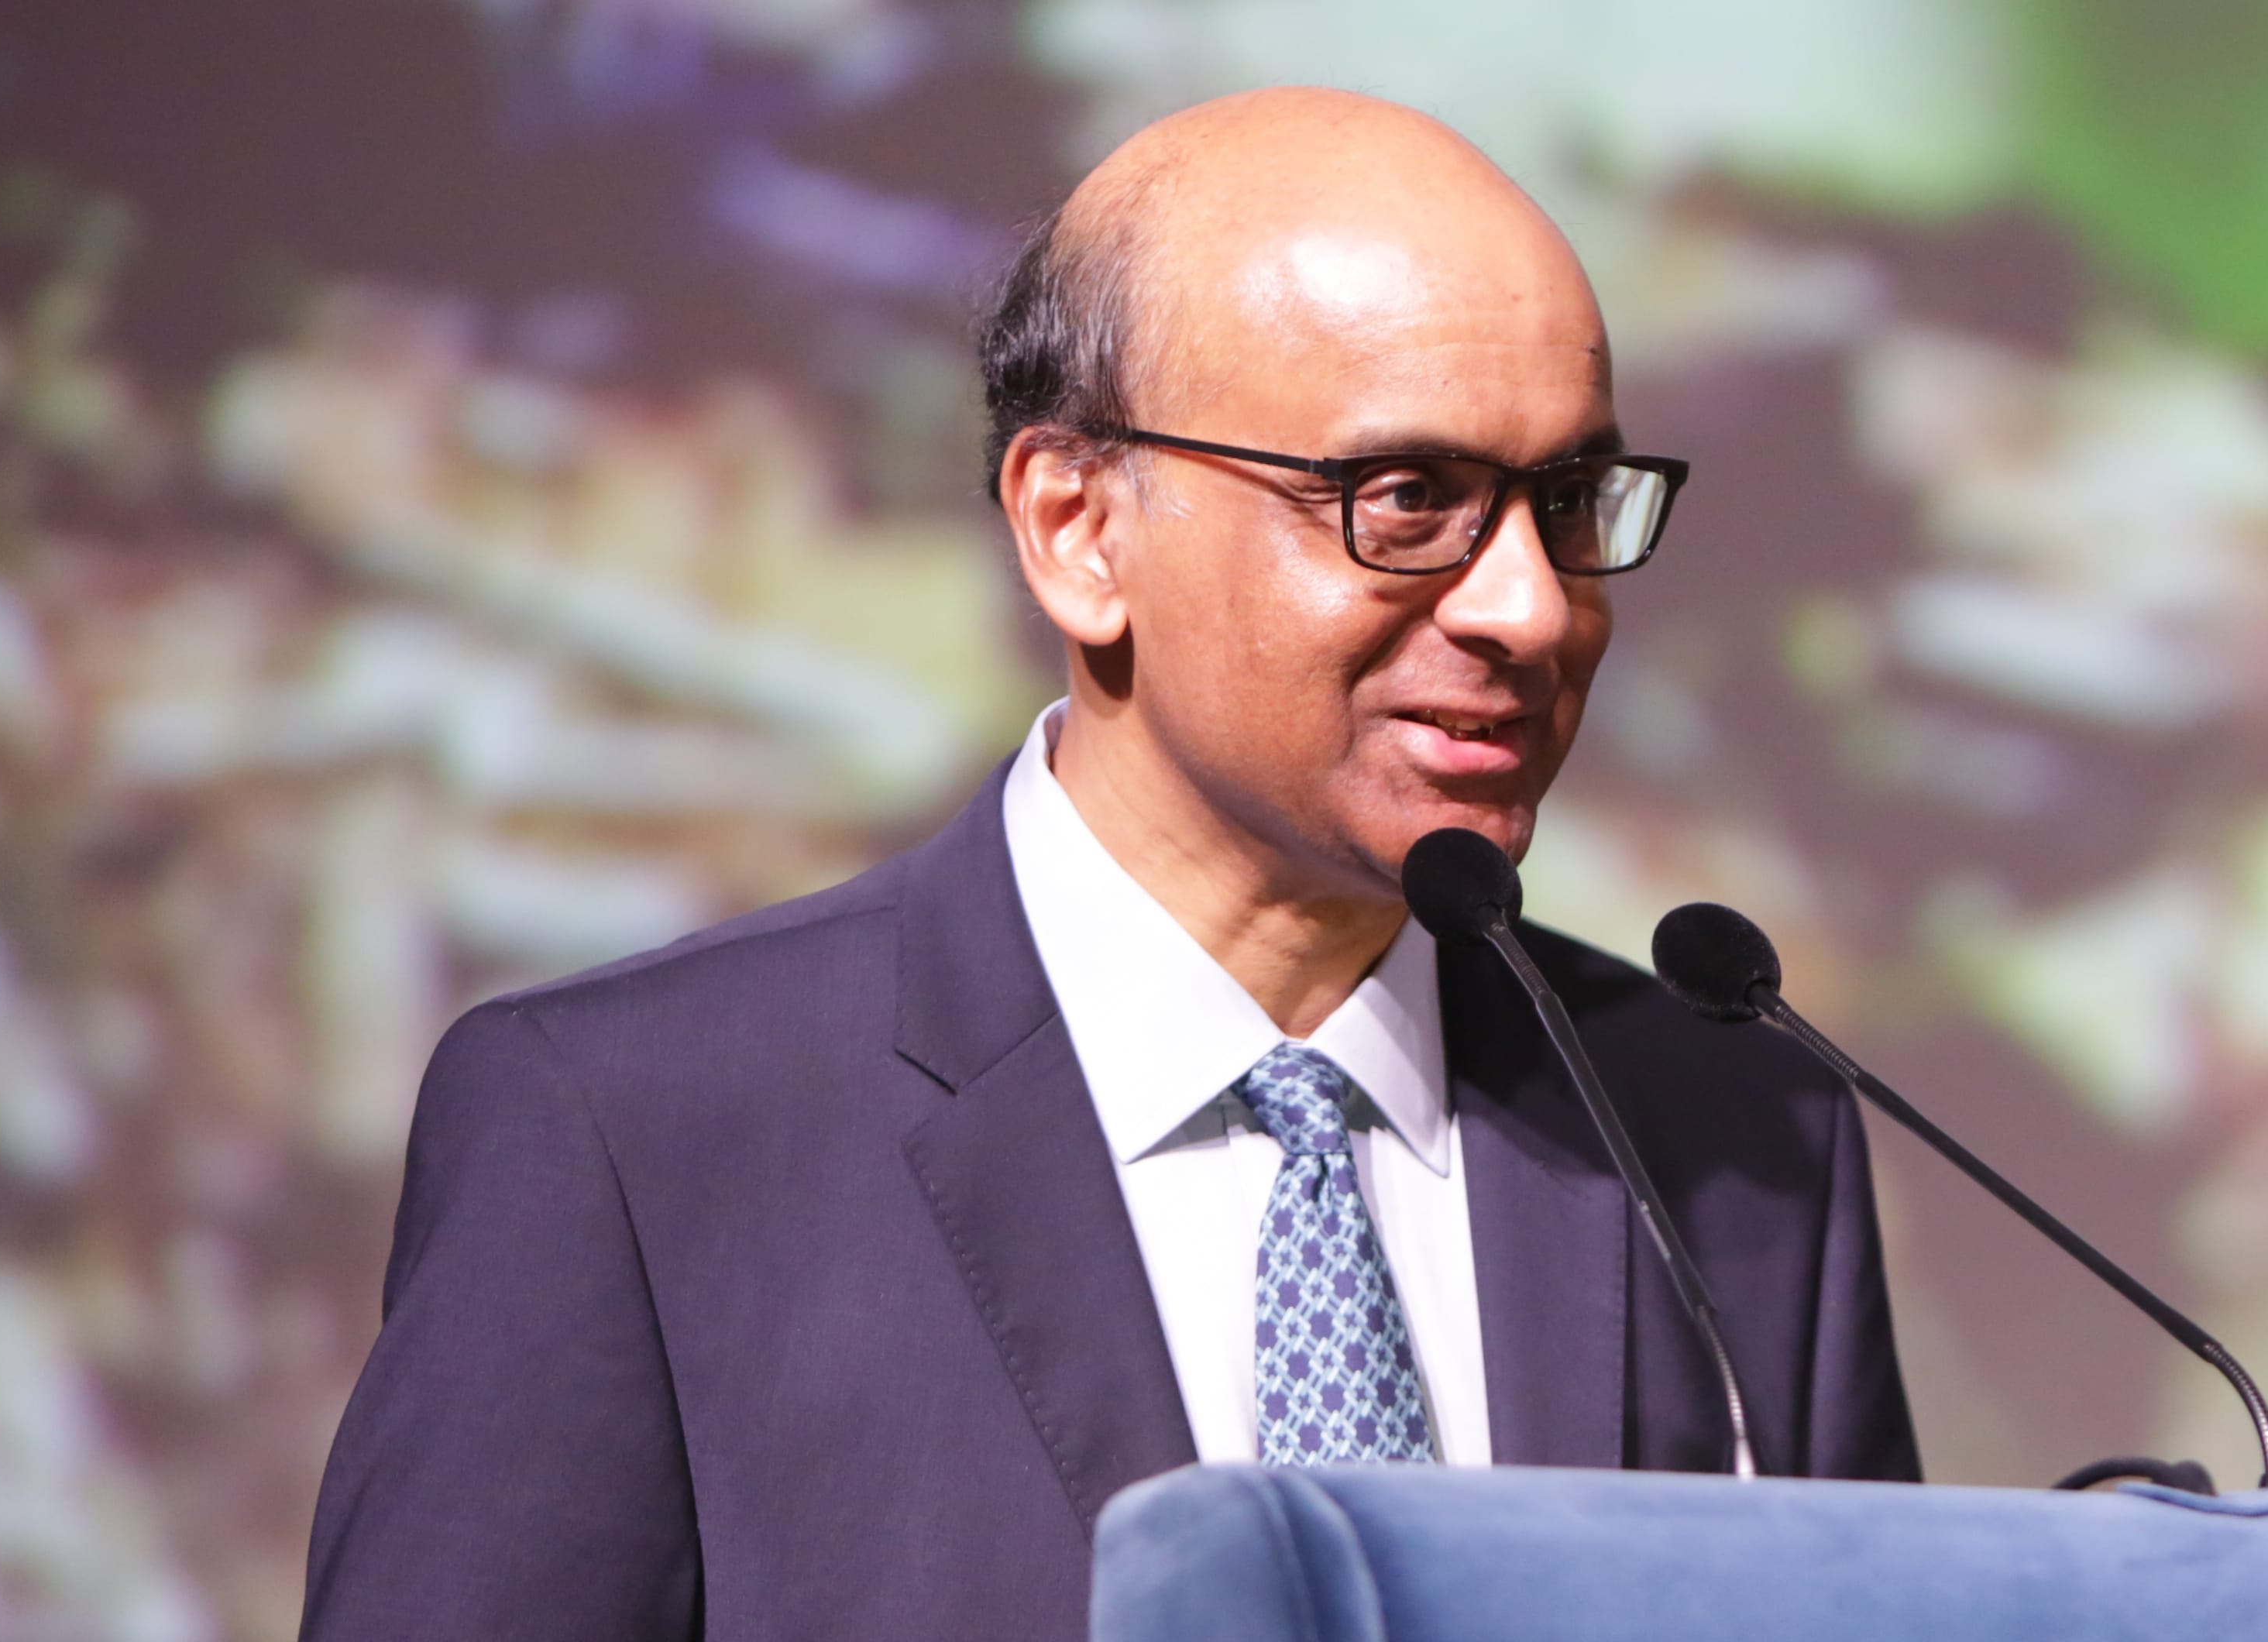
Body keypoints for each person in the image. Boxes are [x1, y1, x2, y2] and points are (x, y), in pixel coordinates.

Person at [299, 88, 1917, 1641]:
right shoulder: (639, 1138)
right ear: (1080, 529)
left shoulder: (1731, 1135)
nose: (1530, 609)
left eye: (1568, 501)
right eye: (1405, 499)